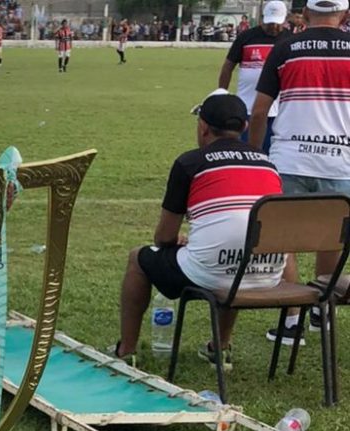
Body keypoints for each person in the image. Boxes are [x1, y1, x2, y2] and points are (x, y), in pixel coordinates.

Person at [109, 91, 284, 369]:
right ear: (244, 127)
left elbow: (164, 237)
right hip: (267, 272)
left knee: (137, 259)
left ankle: (125, 350)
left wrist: (179, 242)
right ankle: (220, 347)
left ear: (202, 127)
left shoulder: (190, 163)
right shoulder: (269, 163)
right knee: (237, 253)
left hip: (212, 271)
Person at [249, 0, 350, 342]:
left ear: (305, 14)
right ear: (346, 15)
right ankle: (322, 308)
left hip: (289, 157)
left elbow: (260, 110)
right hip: (341, 160)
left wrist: (255, 154)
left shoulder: (286, 47)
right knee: (332, 235)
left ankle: (292, 320)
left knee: (284, 238)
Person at [219, 1, 288, 154]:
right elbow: (228, 66)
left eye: (277, 23)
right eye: (270, 23)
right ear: (263, 18)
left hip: (280, 110)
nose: (273, 27)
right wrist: (222, 92)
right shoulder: (246, 37)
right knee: (247, 150)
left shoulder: (290, 40)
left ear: (284, 20)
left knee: (273, 152)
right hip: (247, 107)